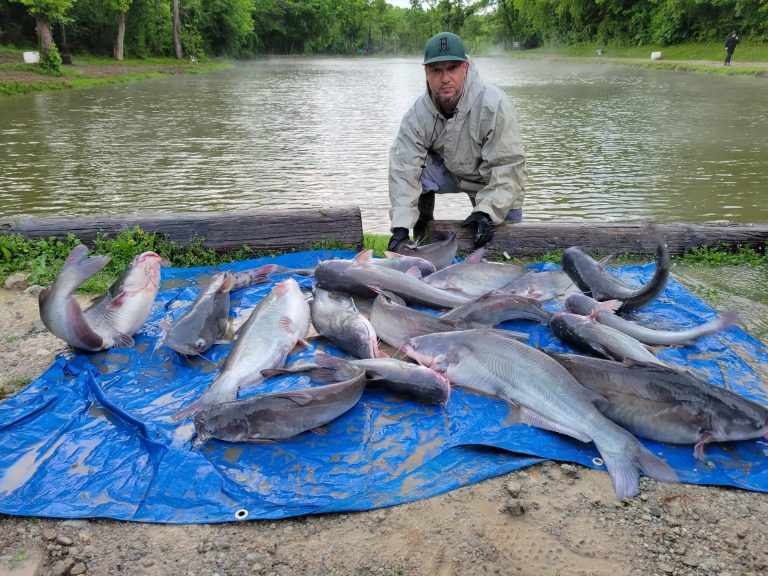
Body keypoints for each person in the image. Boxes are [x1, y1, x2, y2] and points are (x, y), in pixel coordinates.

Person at [387, 31, 527, 251]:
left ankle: (488, 214)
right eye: (436, 70)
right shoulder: (416, 116)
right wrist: (400, 228)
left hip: (489, 178)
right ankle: (421, 235)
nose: (445, 79)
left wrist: (486, 212)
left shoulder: (495, 104)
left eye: (452, 68)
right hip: (449, 173)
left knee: (505, 247)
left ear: (465, 68)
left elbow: (508, 166)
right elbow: (404, 170)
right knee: (413, 170)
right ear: (426, 73)